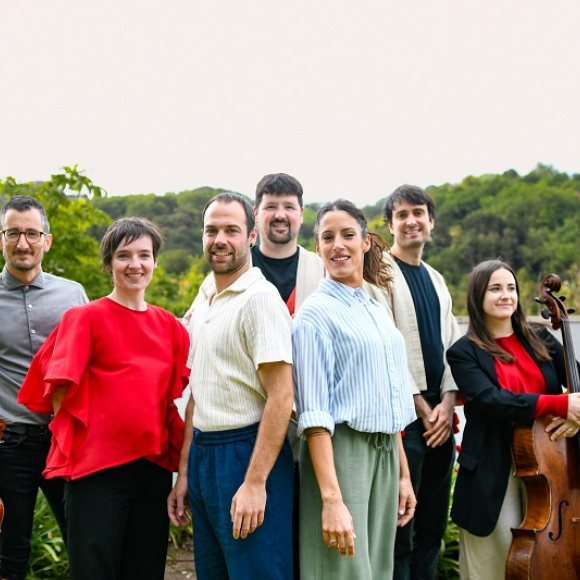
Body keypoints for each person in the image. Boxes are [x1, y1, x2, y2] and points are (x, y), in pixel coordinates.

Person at [18, 217, 190, 580]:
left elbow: (174, 403)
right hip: (96, 475)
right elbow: (58, 396)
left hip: (152, 472)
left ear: (155, 261)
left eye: (144, 255)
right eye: (124, 255)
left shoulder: (171, 327)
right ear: (109, 262)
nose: (135, 265)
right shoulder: (84, 318)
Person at [168, 193, 295, 579]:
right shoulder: (207, 295)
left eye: (231, 230)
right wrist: (185, 472)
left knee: (258, 572)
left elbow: (281, 396)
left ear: (252, 236)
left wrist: (255, 483)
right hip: (205, 454)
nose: (219, 239)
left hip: (247, 452)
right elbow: (198, 393)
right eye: (211, 230)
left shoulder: (260, 299)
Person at [292, 199, 416, 579]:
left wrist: (403, 475)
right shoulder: (314, 314)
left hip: (385, 454)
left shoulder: (376, 305)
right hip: (342, 455)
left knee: (377, 570)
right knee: (340, 570)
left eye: (348, 234)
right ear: (318, 248)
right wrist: (331, 499)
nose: (338, 245)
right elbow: (314, 416)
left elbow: (390, 395)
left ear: (365, 242)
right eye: (327, 237)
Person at [446, 259, 580, 579]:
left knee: (549, 554)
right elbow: (491, 400)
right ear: (478, 296)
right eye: (495, 289)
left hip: (551, 461)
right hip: (494, 468)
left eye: (511, 288)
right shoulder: (463, 352)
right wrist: (558, 405)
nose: (505, 295)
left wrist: (577, 417)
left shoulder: (539, 338)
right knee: (496, 559)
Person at [366, 184, 460, 580]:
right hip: (405, 419)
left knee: (433, 528)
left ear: (431, 222)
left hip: (441, 417)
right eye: (401, 215)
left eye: (418, 212)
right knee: (401, 526)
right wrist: (421, 404)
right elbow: (384, 344)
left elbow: (454, 346)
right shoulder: (379, 275)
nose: (411, 221)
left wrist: (448, 403)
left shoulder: (437, 279)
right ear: (390, 225)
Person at [0, 196, 88, 580]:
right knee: (9, 550)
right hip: (8, 443)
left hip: (65, 441)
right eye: (13, 233)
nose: (23, 244)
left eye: (32, 234)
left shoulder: (73, 296)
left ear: (46, 241)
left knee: (83, 539)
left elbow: (92, 365)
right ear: (1, 238)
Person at [251, 172, 323, 315]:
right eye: (271, 206)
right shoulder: (237, 268)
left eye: (289, 207)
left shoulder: (322, 271)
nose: (280, 215)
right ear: (256, 213)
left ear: (301, 214)